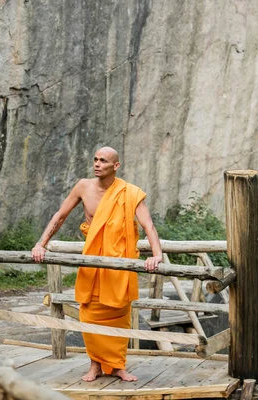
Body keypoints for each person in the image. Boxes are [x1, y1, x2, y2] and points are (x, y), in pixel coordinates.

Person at [31, 146, 163, 382]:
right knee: (90, 313)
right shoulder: (83, 186)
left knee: (119, 313)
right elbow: (59, 216)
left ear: (116, 166)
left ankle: (118, 366)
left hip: (120, 264)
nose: (97, 164)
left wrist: (157, 254)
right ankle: (95, 366)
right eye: (95, 159)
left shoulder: (129, 192)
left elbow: (148, 225)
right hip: (93, 261)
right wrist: (41, 244)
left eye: (103, 160)